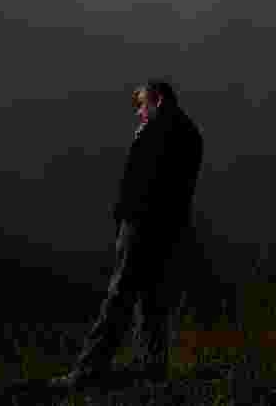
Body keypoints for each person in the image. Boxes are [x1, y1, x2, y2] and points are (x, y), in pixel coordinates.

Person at [50, 79, 204, 389]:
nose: (139, 113)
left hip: (143, 226)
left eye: (142, 105)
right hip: (168, 230)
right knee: (153, 301)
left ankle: (88, 371)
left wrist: (125, 218)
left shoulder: (159, 130)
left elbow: (141, 180)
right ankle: (153, 371)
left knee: (120, 297)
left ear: (158, 100)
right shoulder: (190, 132)